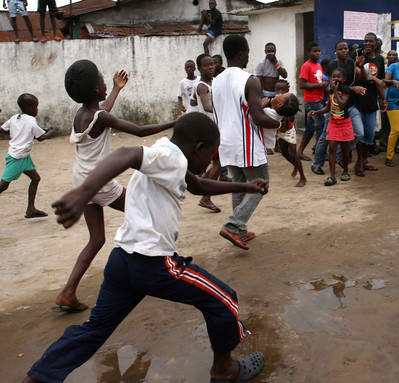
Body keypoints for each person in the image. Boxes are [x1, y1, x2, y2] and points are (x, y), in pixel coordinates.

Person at [22, 112, 267, 383]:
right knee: (225, 300)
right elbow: (127, 153)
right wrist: (82, 193)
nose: (211, 162)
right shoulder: (170, 158)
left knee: (95, 329)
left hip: (121, 261)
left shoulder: (168, 153)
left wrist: (245, 185)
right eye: (210, 155)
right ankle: (224, 371)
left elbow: (197, 185)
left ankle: (38, 378)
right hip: (153, 264)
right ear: (199, 148)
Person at [54, 60, 175, 313]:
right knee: (146, 210)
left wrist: (117, 89)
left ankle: (68, 292)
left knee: (96, 239)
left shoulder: (82, 114)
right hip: (101, 184)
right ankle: (156, 268)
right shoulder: (101, 116)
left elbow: (103, 110)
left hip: (83, 183)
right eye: (102, 80)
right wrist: (174, 123)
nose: (105, 82)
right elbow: (140, 131)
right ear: (96, 89)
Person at [213, 34, 297, 250]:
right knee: (262, 184)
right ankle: (233, 225)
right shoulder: (249, 79)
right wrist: (278, 125)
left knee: (239, 185)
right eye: (248, 53)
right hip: (246, 142)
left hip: (226, 142)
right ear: (242, 54)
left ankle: (239, 231)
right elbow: (258, 116)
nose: (248, 57)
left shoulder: (217, 80)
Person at [310, 40, 365, 175]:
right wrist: (353, 88)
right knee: (325, 136)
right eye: (340, 49)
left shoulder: (352, 62)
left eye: (346, 48)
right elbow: (334, 87)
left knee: (359, 133)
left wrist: (362, 66)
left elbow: (363, 78)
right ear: (335, 51)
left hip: (350, 105)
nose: (344, 51)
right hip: (336, 107)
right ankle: (316, 164)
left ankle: (340, 156)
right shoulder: (332, 65)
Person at [0, 93, 55, 217]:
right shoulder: (31, 121)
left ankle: (31, 209)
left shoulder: (15, 118)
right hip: (17, 158)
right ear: (29, 106)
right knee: (3, 186)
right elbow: (41, 137)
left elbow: (2, 130)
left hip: (23, 156)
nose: (37, 110)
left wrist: (15, 133)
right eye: (36, 107)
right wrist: (51, 132)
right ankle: (30, 209)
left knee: (35, 179)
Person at [310, 68, 354, 186]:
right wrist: (317, 112)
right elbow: (328, 108)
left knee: (344, 149)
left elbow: (342, 104)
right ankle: (332, 176)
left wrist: (335, 91)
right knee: (332, 148)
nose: (336, 79)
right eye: (333, 77)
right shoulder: (330, 92)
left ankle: (345, 171)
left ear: (344, 79)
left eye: (339, 77)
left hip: (344, 123)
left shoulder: (346, 90)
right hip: (333, 123)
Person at [352, 32, 387, 176]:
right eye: (365, 41)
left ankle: (364, 160)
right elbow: (360, 76)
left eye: (370, 41)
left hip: (372, 100)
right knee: (360, 133)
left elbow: (381, 82)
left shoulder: (379, 59)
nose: (367, 43)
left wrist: (383, 98)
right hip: (358, 99)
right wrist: (374, 79)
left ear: (376, 43)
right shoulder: (358, 58)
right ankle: (360, 161)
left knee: (370, 134)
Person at [193, 53, 222, 213]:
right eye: (206, 65)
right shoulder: (202, 86)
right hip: (208, 127)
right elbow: (206, 107)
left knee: (217, 161)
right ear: (199, 68)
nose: (210, 67)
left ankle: (203, 182)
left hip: (214, 125)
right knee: (218, 162)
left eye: (212, 64)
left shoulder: (214, 82)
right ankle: (206, 197)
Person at [266, 80, 306, 187]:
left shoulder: (288, 103)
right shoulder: (274, 102)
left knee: (293, 153)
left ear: (287, 91)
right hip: (279, 130)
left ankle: (303, 177)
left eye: (282, 90)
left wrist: (280, 124)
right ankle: (295, 166)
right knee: (284, 153)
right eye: (277, 90)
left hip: (288, 131)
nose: (279, 92)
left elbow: (287, 123)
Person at [297, 42, 328, 162]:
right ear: (309, 53)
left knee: (310, 129)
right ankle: (320, 152)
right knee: (324, 126)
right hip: (312, 102)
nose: (318, 53)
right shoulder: (306, 66)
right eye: (315, 51)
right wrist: (320, 85)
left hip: (318, 99)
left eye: (319, 51)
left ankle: (299, 152)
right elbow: (302, 84)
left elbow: (320, 84)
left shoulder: (319, 66)